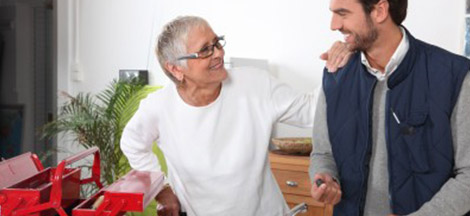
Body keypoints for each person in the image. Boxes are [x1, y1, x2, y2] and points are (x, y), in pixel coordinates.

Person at [120, 16, 350, 216]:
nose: (219, 53)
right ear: (175, 69)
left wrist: (335, 70)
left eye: (217, 43)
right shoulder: (159, 107)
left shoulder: (255, 83)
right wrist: (163, 190)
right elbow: (132, 143)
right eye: (205, 50)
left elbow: (311, 111)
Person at [309, 0, 470, 215]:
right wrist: (325, 178)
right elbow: (322, 153)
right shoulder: (336, 73)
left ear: (380, 10)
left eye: (343, 13)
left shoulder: (455, 75)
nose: (334, 25)